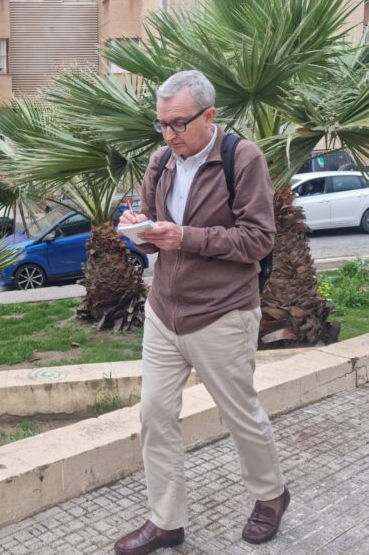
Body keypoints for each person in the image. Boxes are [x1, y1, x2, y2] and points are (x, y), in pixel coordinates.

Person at [113, 70, 288, 555]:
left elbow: (259, 239)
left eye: (178, 124)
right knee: (153, 414)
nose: (169, 135)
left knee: (240, 414)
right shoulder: (159, 161)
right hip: (164, 311)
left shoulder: (242, 158)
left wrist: (184, 236)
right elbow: (156, 230)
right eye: (161, 124)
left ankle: (271, 497)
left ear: (209, 116)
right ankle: (166, 520)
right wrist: (140, 228)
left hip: (223, 313)